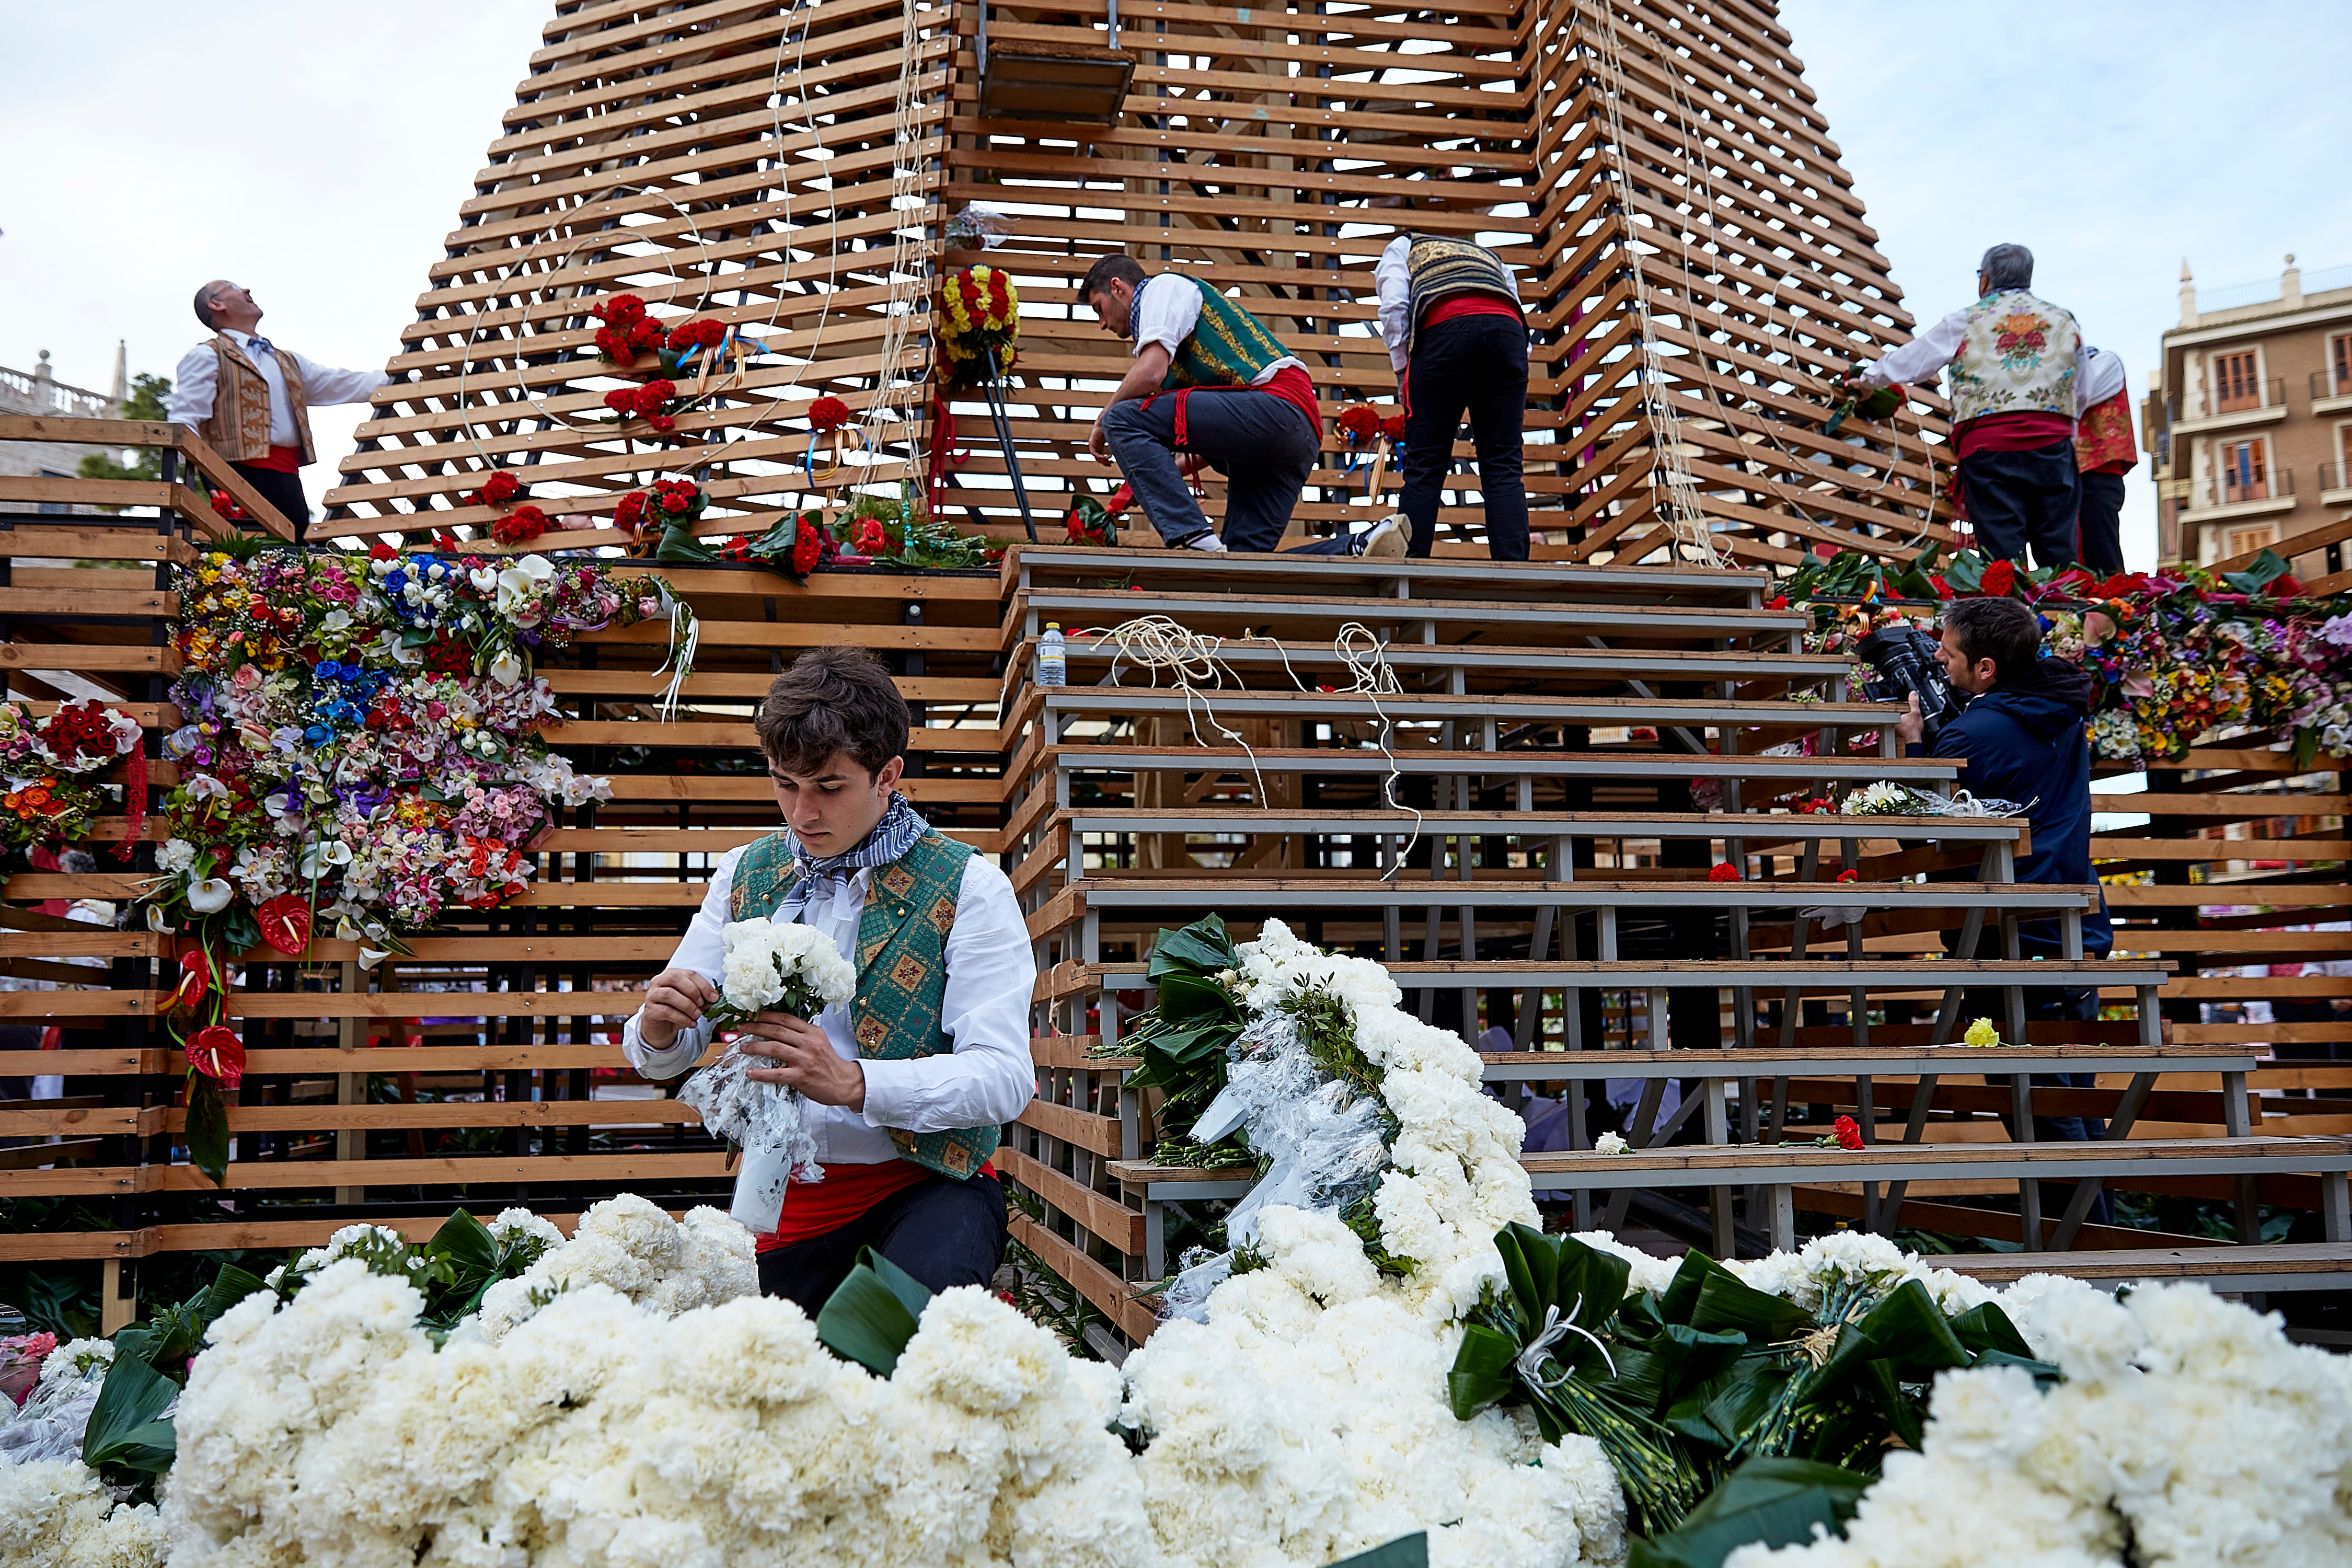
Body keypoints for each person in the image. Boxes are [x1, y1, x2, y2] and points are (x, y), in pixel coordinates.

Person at [620, 647, 1036, 1313]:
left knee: (897, 1346)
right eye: (785, 783)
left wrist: (855, 1082)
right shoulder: (743, 873)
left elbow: (1005, 1078)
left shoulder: (970, 884)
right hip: (783, 1201)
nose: (801, 812)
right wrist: (659, 1026)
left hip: (928, 1187)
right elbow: (666, 1052)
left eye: (829, 787)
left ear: (888, 775)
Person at [1896, 597, 2113, 1209]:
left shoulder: (1974, 733)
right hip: (2073, 926)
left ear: (1987, 668)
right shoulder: (2062, 713)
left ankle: (2088, 1265)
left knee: (2040, 1110)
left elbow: (1923, 836)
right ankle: (2099, 1256)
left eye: (1950, 649)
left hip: (2010, 934)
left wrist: (1916, 747)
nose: (1938, 656)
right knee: (2073, 1102)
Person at [1079, 253, 1404, 557]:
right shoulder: (1170, 338)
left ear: (1117, 288)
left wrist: (1103, 421)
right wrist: (1153, 479)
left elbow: (1150, 372)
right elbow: (1222, 427)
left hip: (1275, 408)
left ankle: (1194, 538)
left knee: (1122, 418)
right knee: (1241, 567)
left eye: (1099, 309)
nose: (1102, 324)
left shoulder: (1162, 289)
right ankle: (1355, 547)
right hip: (1293, 434)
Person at [1850, 244, 2085, 571]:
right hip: (2052, 447)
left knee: (2002, 551)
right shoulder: (2064, 320)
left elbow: (1915, 360)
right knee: (2058, 545)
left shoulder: (1968, 320)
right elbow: (2081, 389)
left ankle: (2008, 618)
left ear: (1984, 280)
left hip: (1989, 449)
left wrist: (1867, 380)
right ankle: (2063, 614)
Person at [166, 280, 390, 539]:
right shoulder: (207, 355)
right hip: (235, 476)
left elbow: (344, 383)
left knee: (293, 555)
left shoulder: (287, 360)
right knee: (249, 559)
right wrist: (201, 480)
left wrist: (410, 379)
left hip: (286, 476)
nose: (247, 290)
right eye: (234, 287)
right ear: (217, 304)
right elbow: (186, 420)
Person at [1374, 232, 1529, 559]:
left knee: (1425, 465)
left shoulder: (1405, 246)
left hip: (1445, 329)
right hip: (1509, 333)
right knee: (1504, 464)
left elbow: (1394, 305)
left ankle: (1410, 576)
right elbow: (1511, 300)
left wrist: (1403, 370)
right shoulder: (1490, 257)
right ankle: (1516, 580)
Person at [2072, 344, 2135, 576]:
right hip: (2067, 477)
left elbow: (2080, 394)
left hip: (2099, 474)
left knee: (2102, 555)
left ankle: (2111, 602)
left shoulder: (2106, 362)